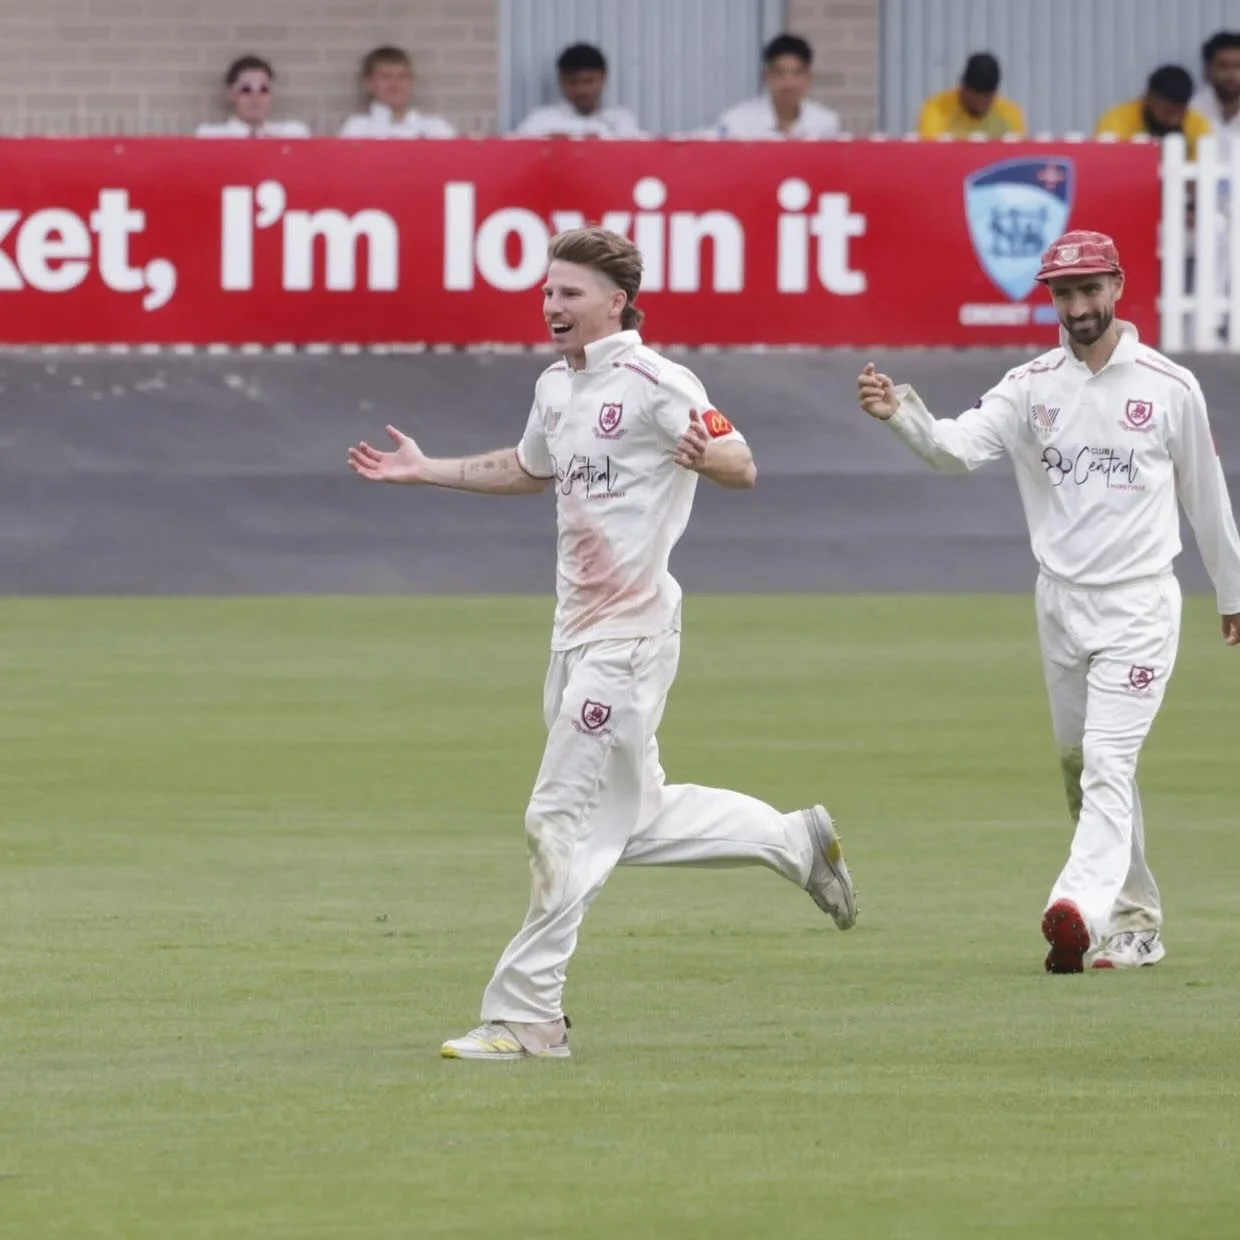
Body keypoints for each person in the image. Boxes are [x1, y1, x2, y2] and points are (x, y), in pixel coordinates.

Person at [347, 226, 858, 1059]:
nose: (552, 306)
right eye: (548, 292)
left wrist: (711, 456)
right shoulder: (556, 387)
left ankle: (529, 1017)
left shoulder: (660, 380)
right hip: (576, 636)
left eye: (570, 293)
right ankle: (792, 839)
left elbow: (740, 459)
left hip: (632, 637)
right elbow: (529, 467)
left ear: (615, 301)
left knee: (557, 821)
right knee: (636, 815)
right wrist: (426, 468)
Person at [856, 229, 1240, 974]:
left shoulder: (1169, 387)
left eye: (1091, 288)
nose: (1079, 305)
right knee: (1082, 765)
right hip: (1060, 603)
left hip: (1139, 605)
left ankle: (1077, 909)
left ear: (1118, 287)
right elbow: (956, 448)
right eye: (1065, 293)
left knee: (1106, 757)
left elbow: (1207, 499)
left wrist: (1233, 590)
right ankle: (1136, 922)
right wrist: (899, 413)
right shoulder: (1030, 387)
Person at [713, 33, 840, 140]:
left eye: (797, 73)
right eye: (779, 73)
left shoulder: (826, 123)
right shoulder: (737, 121)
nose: (789, 83)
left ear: (809, 78)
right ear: (766, 77)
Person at [513, 42, 645, 138]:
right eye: (573, 82)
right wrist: (547, 144)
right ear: (560, 81)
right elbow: (510, 152)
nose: (581, 90)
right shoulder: (540, 121)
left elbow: (647, 155)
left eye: (589, 81)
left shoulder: (621, 121)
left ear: (604, 79)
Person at [1094, 65, 1211, 161]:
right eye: (1168, 112)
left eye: (1180, 113)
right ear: (1149, 97)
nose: (1174, 120)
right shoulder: (1117, 118)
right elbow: (1104, 164)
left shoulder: (1198, 123)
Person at [339, 45, 455, 138]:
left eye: (402, 76)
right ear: (368, 83)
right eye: (385, 77)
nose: (395, 84)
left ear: (411, 81)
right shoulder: (356, 129)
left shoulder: (437, 129)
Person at [195, 55, 310, 138]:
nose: (256, 98)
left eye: (263, 90)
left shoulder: (292, 135)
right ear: (230, 94)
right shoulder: (210, 136)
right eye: (246, 90)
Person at [916, 52, 1025, 138]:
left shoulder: (1009, 114)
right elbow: (931, 153)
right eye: (975, 96)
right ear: (963, 87)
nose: (980, 104)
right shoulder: (937, 109)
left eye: (987, 97)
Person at [1192, 30, 1240, 158]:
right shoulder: (1192, 109)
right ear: (1207, 70)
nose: (1231, 75)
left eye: (1238, 66)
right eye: (1223, 66)